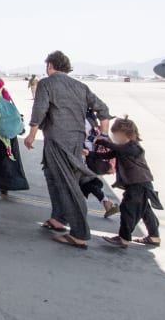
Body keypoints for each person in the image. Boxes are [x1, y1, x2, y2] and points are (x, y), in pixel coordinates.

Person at [25, 50, 110, 249]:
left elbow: (39, 109)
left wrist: (31, 134)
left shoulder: (47, 83)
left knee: (67, 184)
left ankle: (80, 234)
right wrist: (103, 134)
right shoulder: (81, 86)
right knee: (51, 175)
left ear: (50, 66)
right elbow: (103, 109)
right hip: (75, 141)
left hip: (57, 140)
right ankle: (59, 218)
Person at [94, 117, 162, 248]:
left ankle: (124, 238)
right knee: (144, 211)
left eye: (118, 136)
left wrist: (104, 142)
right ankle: (154, 236)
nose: (116, 139)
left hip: (139, 184)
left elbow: (117, 149)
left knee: (127, 209)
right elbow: (108, 155)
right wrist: (89, 153)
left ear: (129, 135)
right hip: (139, 183)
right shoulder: (122, 148)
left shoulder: (134, 148)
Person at [81, 109, 120, 217]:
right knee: (85, 182)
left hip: (87, 156)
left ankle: (106, 203)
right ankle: (106, 203)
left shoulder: (83, 118)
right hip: (91, 156)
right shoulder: (91, 119)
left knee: (84, 182)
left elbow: (86, 139)